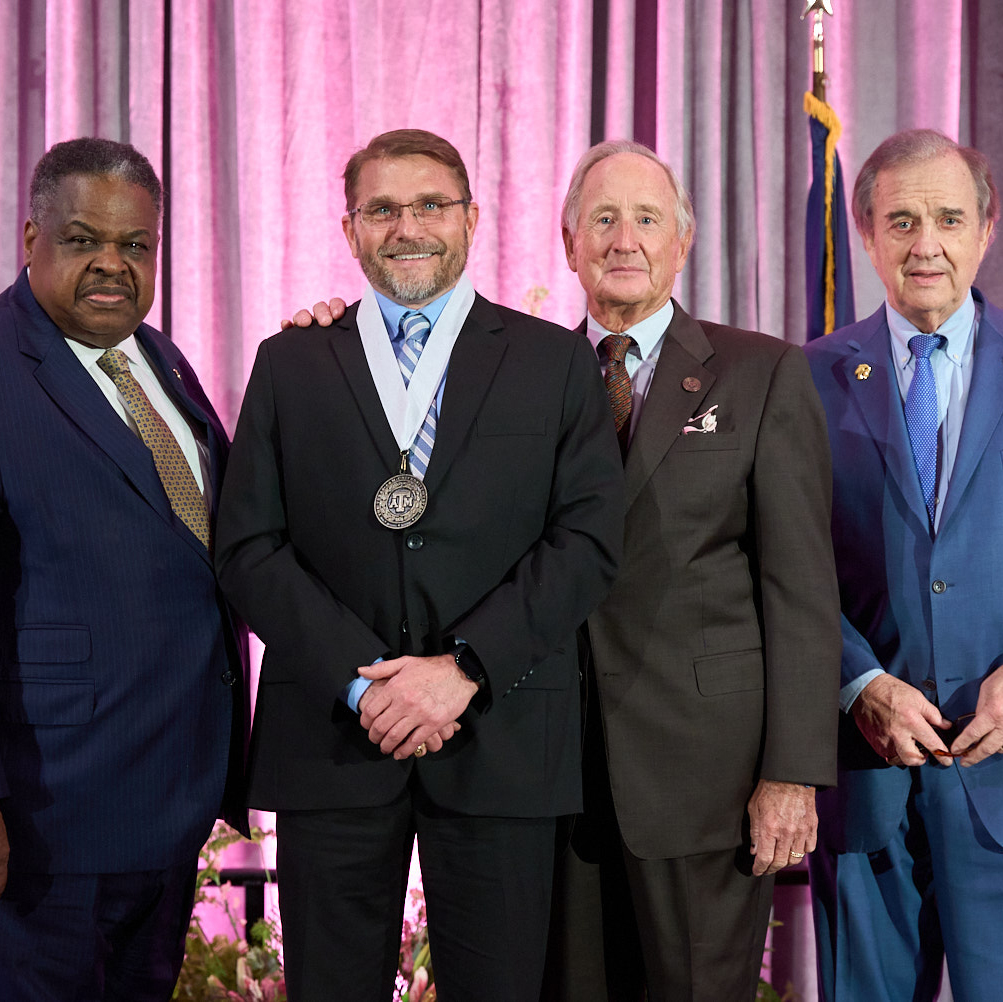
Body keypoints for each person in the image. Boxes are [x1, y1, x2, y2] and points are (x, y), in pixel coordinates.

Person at [292, 138, 841, 1002]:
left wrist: (792, 772)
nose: (625, 240)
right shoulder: (514, 365)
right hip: (535, 768)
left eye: (647, 219)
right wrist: (346, 329)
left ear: (682, 241)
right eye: (603, 220)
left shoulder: (761, 370)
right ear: (567, 242)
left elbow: (801, 587)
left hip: (698, 776)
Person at [214, 128, 624, 1002]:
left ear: (472, 219)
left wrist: (463, 670)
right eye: (383, 209)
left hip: (501, 732)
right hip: (334, 737)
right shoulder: (290, 362)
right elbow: (248, 548)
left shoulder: (551, 362)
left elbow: (587, 542)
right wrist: (365, 686)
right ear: (349, 228)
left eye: (431, 204)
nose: (409, 226)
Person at [0, 138, 247, 1001]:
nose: (112, 264)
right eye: (82, 239)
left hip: (167, 801)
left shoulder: (161, 360)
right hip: (47, 820)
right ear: (29, 237)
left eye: (135, 245)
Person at [803, 129, 1003, 1002]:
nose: (926, 244)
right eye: (902, 221)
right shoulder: (800, 380)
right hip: (863, 776)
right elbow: (781, 560)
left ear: (985, 229)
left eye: (949, 219)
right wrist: (859, 684)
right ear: (865, 232)